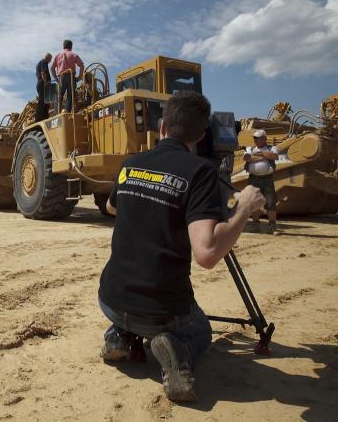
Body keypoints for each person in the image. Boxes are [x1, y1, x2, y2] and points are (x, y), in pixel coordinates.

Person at [98, 92, 265, 402]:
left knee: (132, 306)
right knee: (201, 329)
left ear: (162, 127)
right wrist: (244, 208)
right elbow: (207, 253)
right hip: (159, 312)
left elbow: (111, 208)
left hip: (109, 298)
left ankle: (118, 334)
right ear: (202, 136)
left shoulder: (130, 163)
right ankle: (176, 349)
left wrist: (149, 201)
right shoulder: (200, 172)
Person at [243, 129, 279, 234]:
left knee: (271, 202)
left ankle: (272, 226)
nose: (255, 140)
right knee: (253, 202)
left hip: (267, 179)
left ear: (264, 139)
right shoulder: (250, 148)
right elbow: (247, 158)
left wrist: (260, 153)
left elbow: (274, 156)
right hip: (253, 178)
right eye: (254, 138)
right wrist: (264, 156)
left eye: (257, 138)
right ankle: (255, 225)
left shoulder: (272, 148)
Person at [51, 40, 84, 113]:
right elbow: (81, 65)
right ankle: (67, 112)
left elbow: (52, 68)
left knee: (59, 96)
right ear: (71, 47)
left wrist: (56, 79)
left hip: (61, 77)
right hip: (71, 76)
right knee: (70, 96)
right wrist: (80, 76)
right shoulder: (74, 55)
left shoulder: (58, 55)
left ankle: (57, 113)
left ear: (63, 46)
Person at [35, 52, 52, 122]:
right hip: (43, 84)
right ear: (48, 58)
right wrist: (45, 83)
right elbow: (43, 72)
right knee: (42, 102)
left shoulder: (39, 63)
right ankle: (38, 120)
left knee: (46, 102)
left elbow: (37, 75)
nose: (50, 61)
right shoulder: (44, 62)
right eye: (50, 59)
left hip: (40, 84)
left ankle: (44, 118)